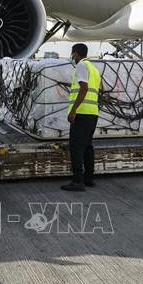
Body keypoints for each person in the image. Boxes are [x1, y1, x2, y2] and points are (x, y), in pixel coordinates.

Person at [61, 43, 100, 191]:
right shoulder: (94, 69)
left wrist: (73, 111)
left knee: (76, 147)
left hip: (82, 113)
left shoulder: (82, 66)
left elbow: (84, 88)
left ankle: (78, 181)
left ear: (76, 54)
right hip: (92, 113)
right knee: (87, 147)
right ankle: (89, 178)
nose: (72, 57)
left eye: (72, 54)